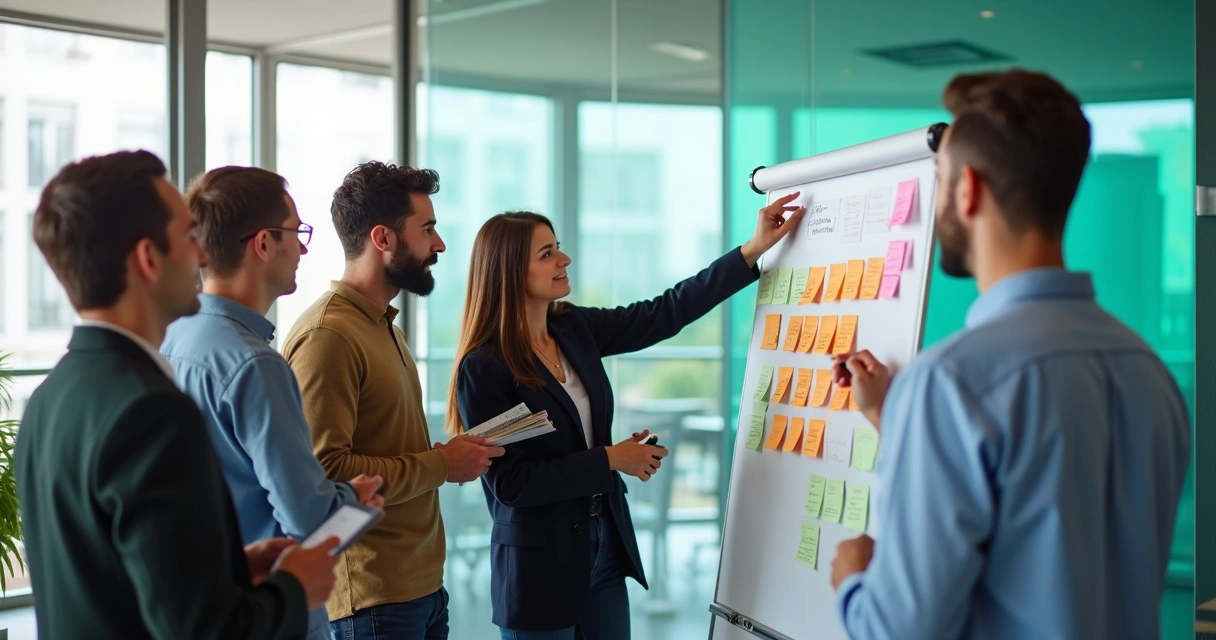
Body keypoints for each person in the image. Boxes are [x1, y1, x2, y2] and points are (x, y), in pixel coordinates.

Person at [828, 70, 1190, 640]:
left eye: (939, 179)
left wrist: (853, 581)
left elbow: (899, 631)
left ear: (967, 189)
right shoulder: (1148, 370)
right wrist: (897, 421)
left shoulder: (950, 382)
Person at [16, 150, 342, 639]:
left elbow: (108, 584)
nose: (204, 255)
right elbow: (206, 631)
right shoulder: (151, 412)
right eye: (189, 238)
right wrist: (294, 589)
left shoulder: (48, 398)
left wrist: (228, 569)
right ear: (149, 259)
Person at [448, 197, 806, 639]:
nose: (565, 258)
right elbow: (512, 484)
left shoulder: (572, 329)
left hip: (603, 547)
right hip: (540, 567)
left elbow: (664, 312)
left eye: (557, 246)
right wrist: (611, 459)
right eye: (547, 254)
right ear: (509, 274)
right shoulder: (484, 367)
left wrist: (751, 250)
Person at [161, 166, 387, 640]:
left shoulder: (170, 339)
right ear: (263, 244)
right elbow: (310, 520)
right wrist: (357, 499)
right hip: (271, 613)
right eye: (296, 233)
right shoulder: (253, 365)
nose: (304, 247)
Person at [283, 161, 504, 639]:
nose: (439, 245)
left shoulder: (385, 327)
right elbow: (326, 474)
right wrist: (442, 464)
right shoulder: (328, 336)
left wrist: (449, 459)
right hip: (372, 599)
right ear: (382, 239)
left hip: (419, 587)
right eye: (427, 230)